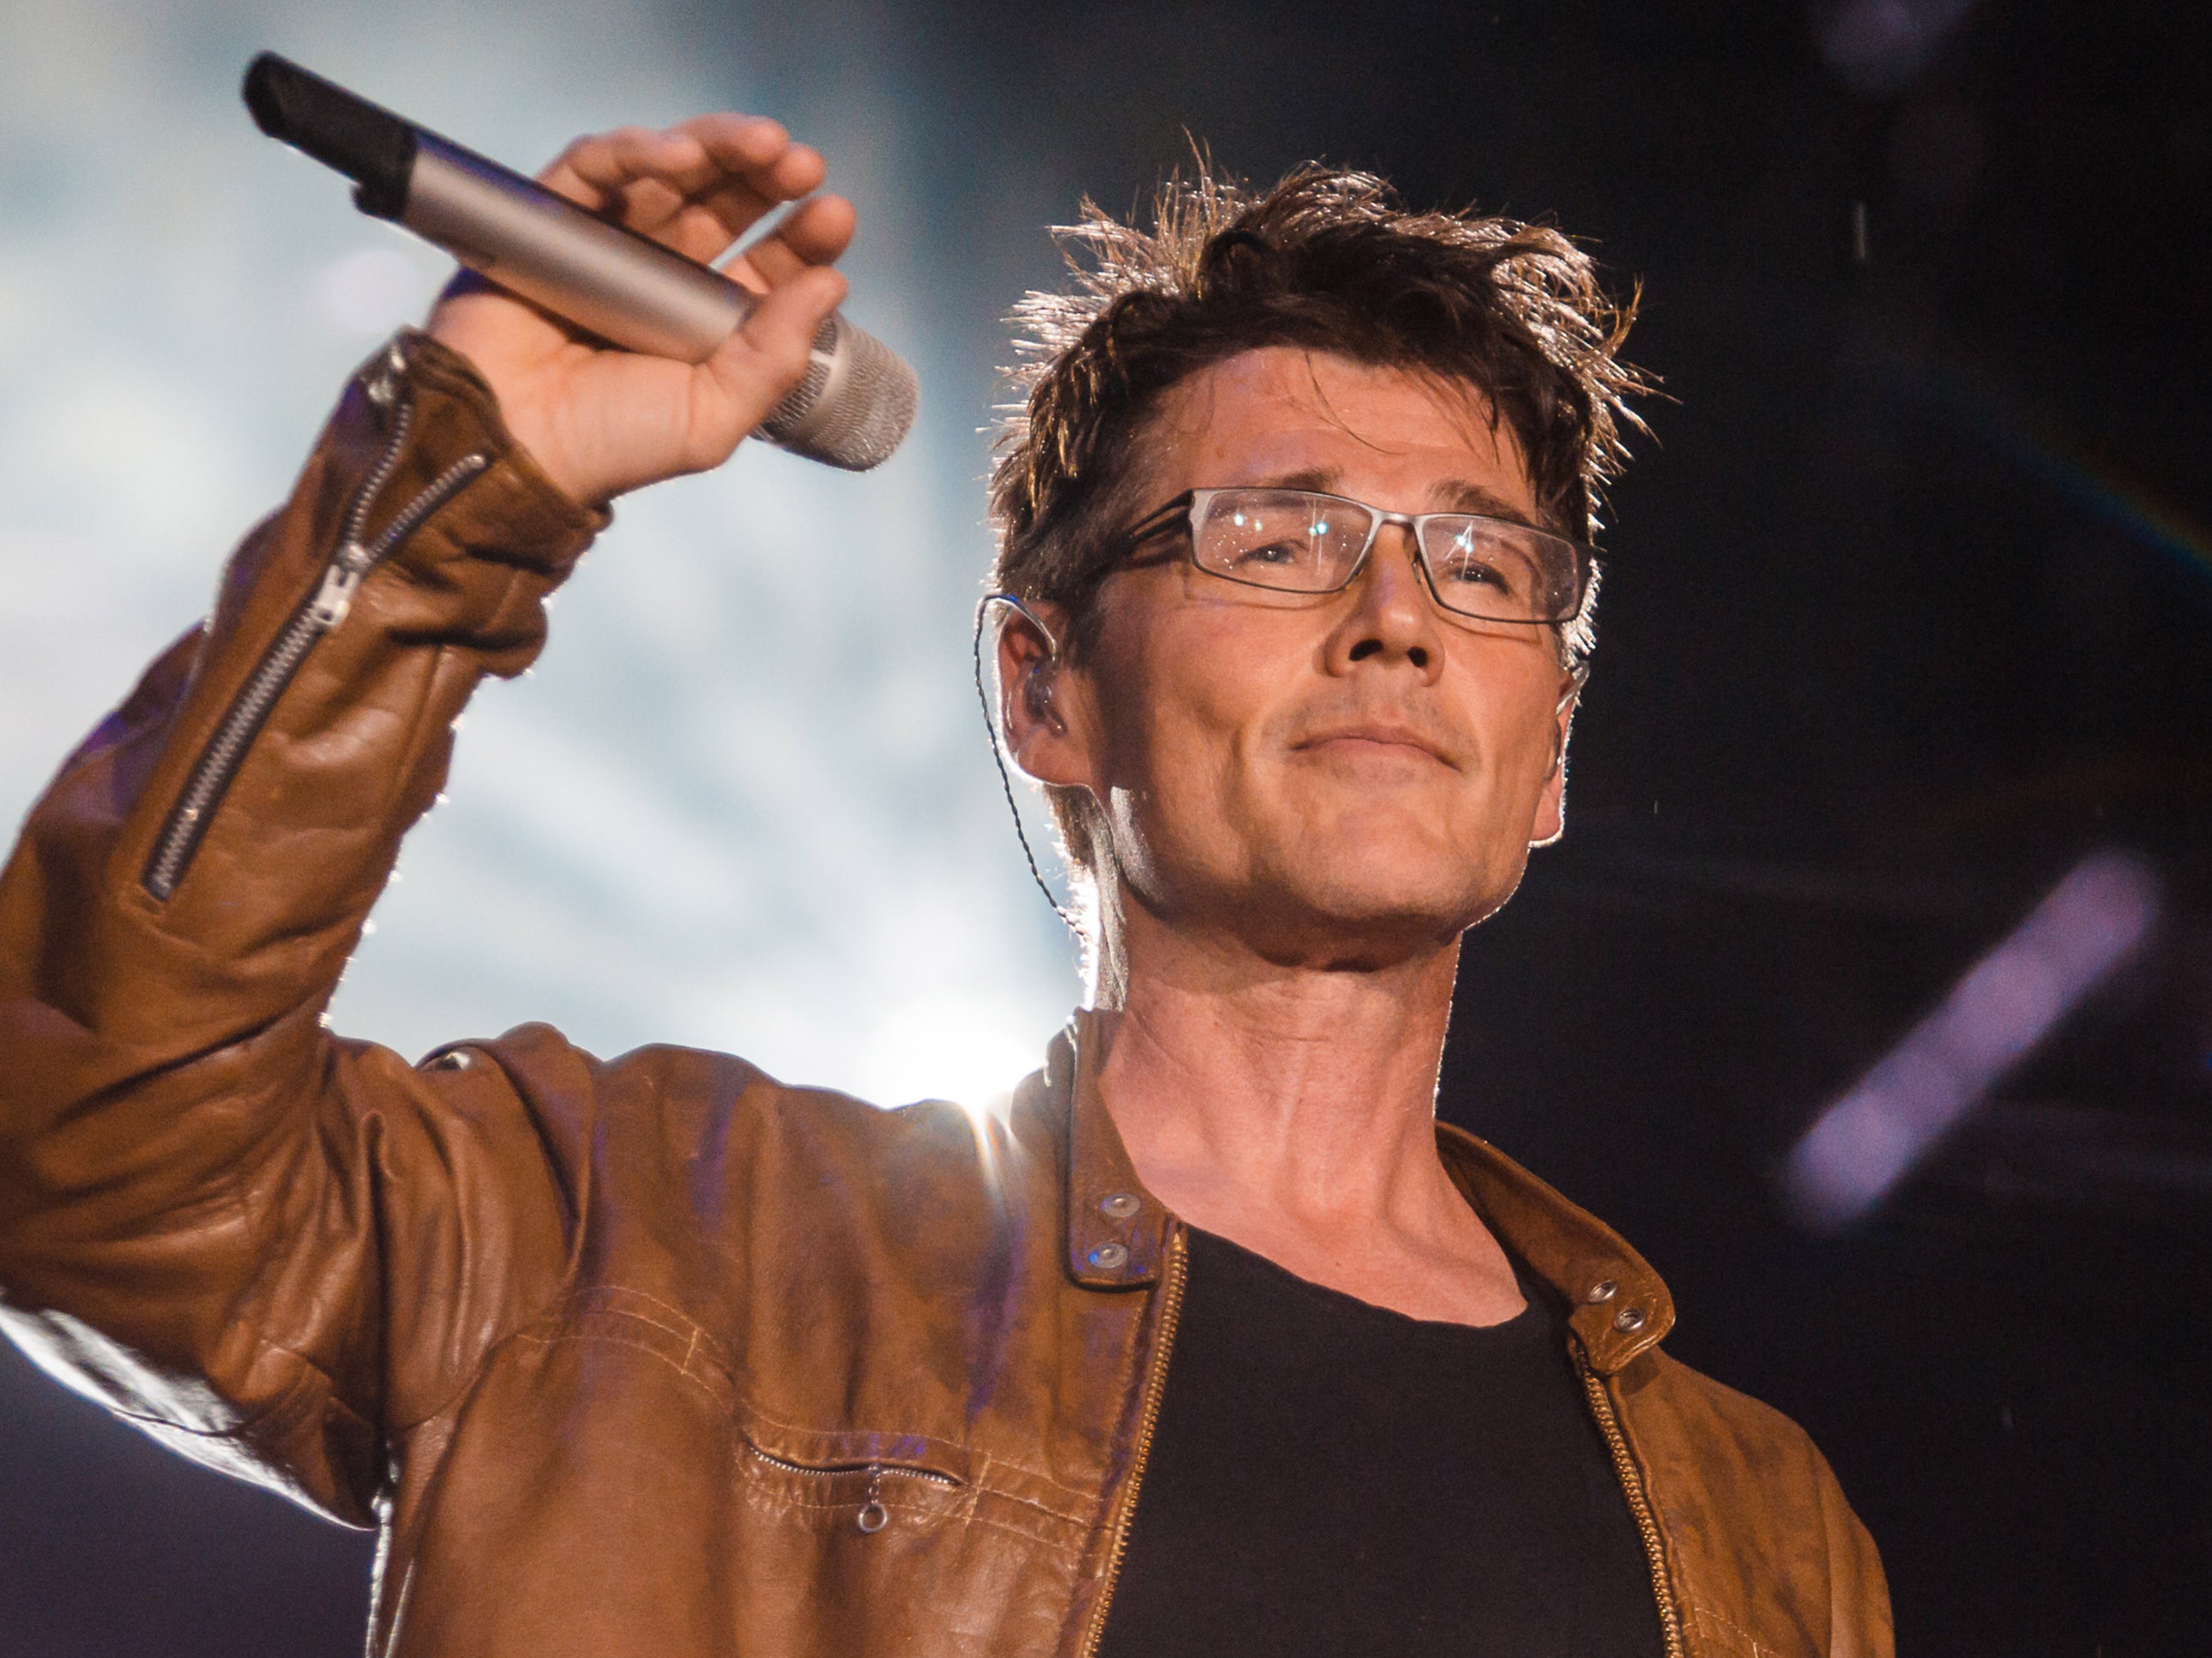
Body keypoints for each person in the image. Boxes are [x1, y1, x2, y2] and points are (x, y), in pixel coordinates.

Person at [0, 114, 1890, 1657]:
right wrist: (457, 489)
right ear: (1043, 689)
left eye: (1483, 567)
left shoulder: (1764, 1539)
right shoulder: (641, 1247)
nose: (1397, 615)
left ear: (1548, 750)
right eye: (1276, 536)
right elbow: (90, 1160)